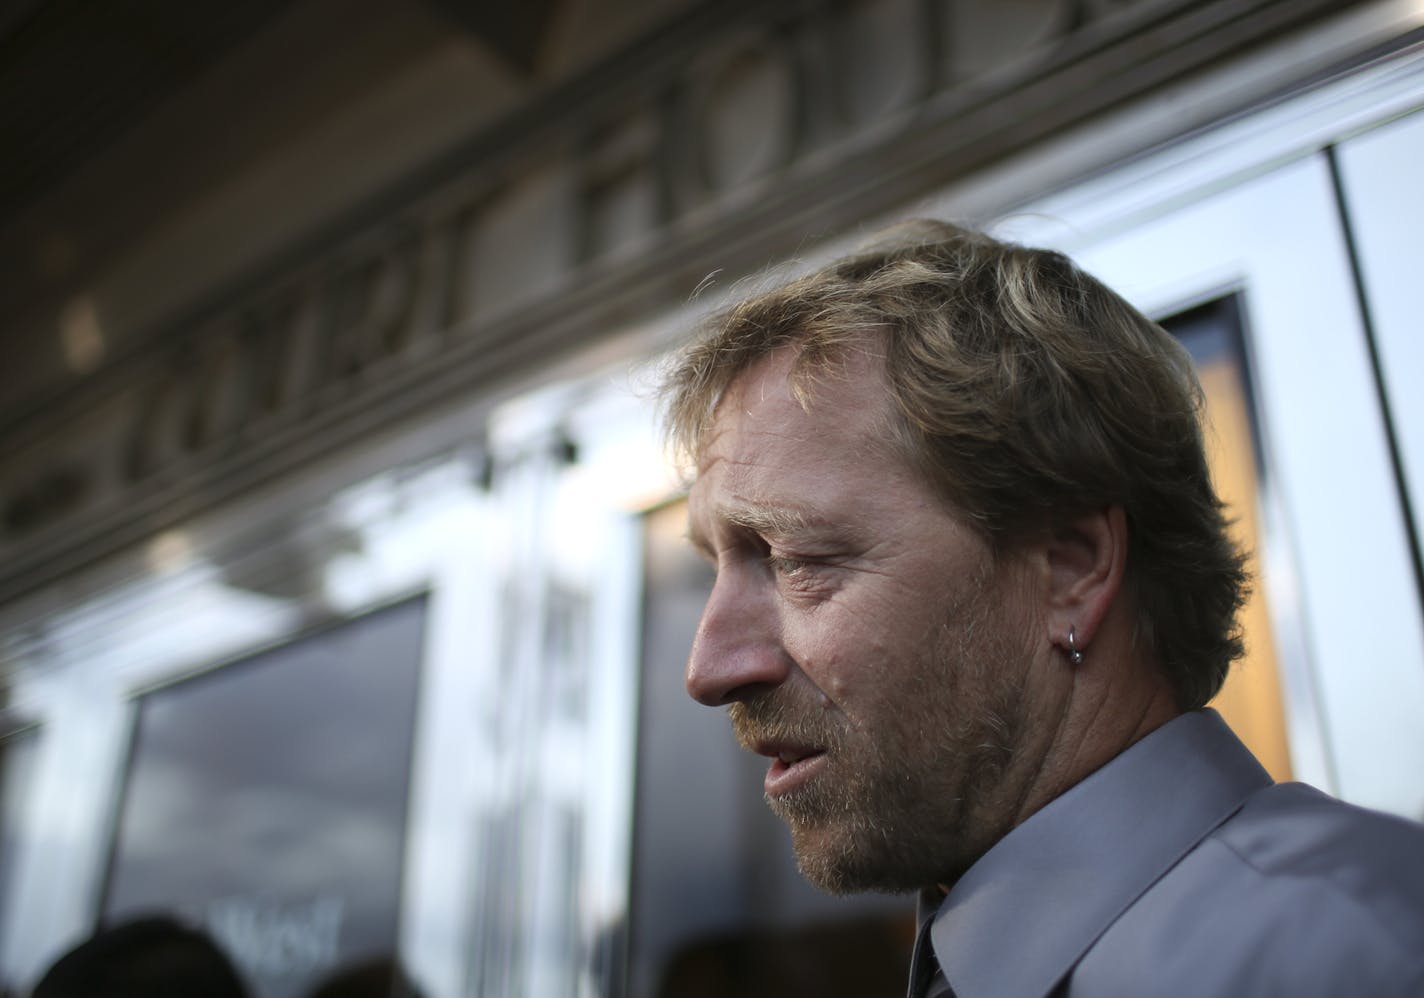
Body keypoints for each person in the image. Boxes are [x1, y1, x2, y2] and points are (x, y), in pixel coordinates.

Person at [660, 220, 1424, 997]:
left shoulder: (1357, 955)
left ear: (1072, 568)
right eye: (712, 569)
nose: (709, 668)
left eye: (793, 559)